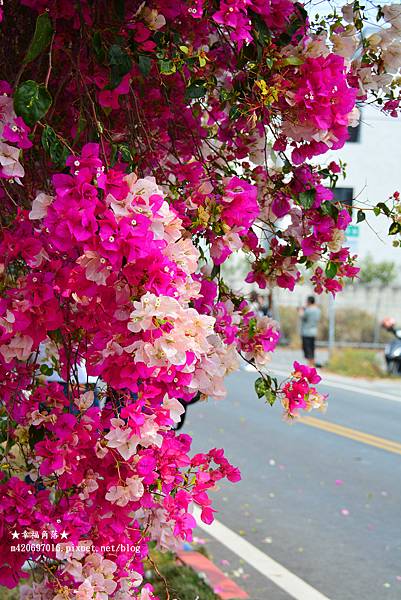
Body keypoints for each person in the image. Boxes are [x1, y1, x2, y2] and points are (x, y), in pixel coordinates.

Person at [299, 296, 321, 367]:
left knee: (307, 349)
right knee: (312, 348)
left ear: (308, 301)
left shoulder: (308, 310)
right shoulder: (318, 310)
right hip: (314, 331)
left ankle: (309, 365)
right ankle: (312, 363)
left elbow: (302, 316)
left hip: (306, 332)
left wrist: (301, 310)